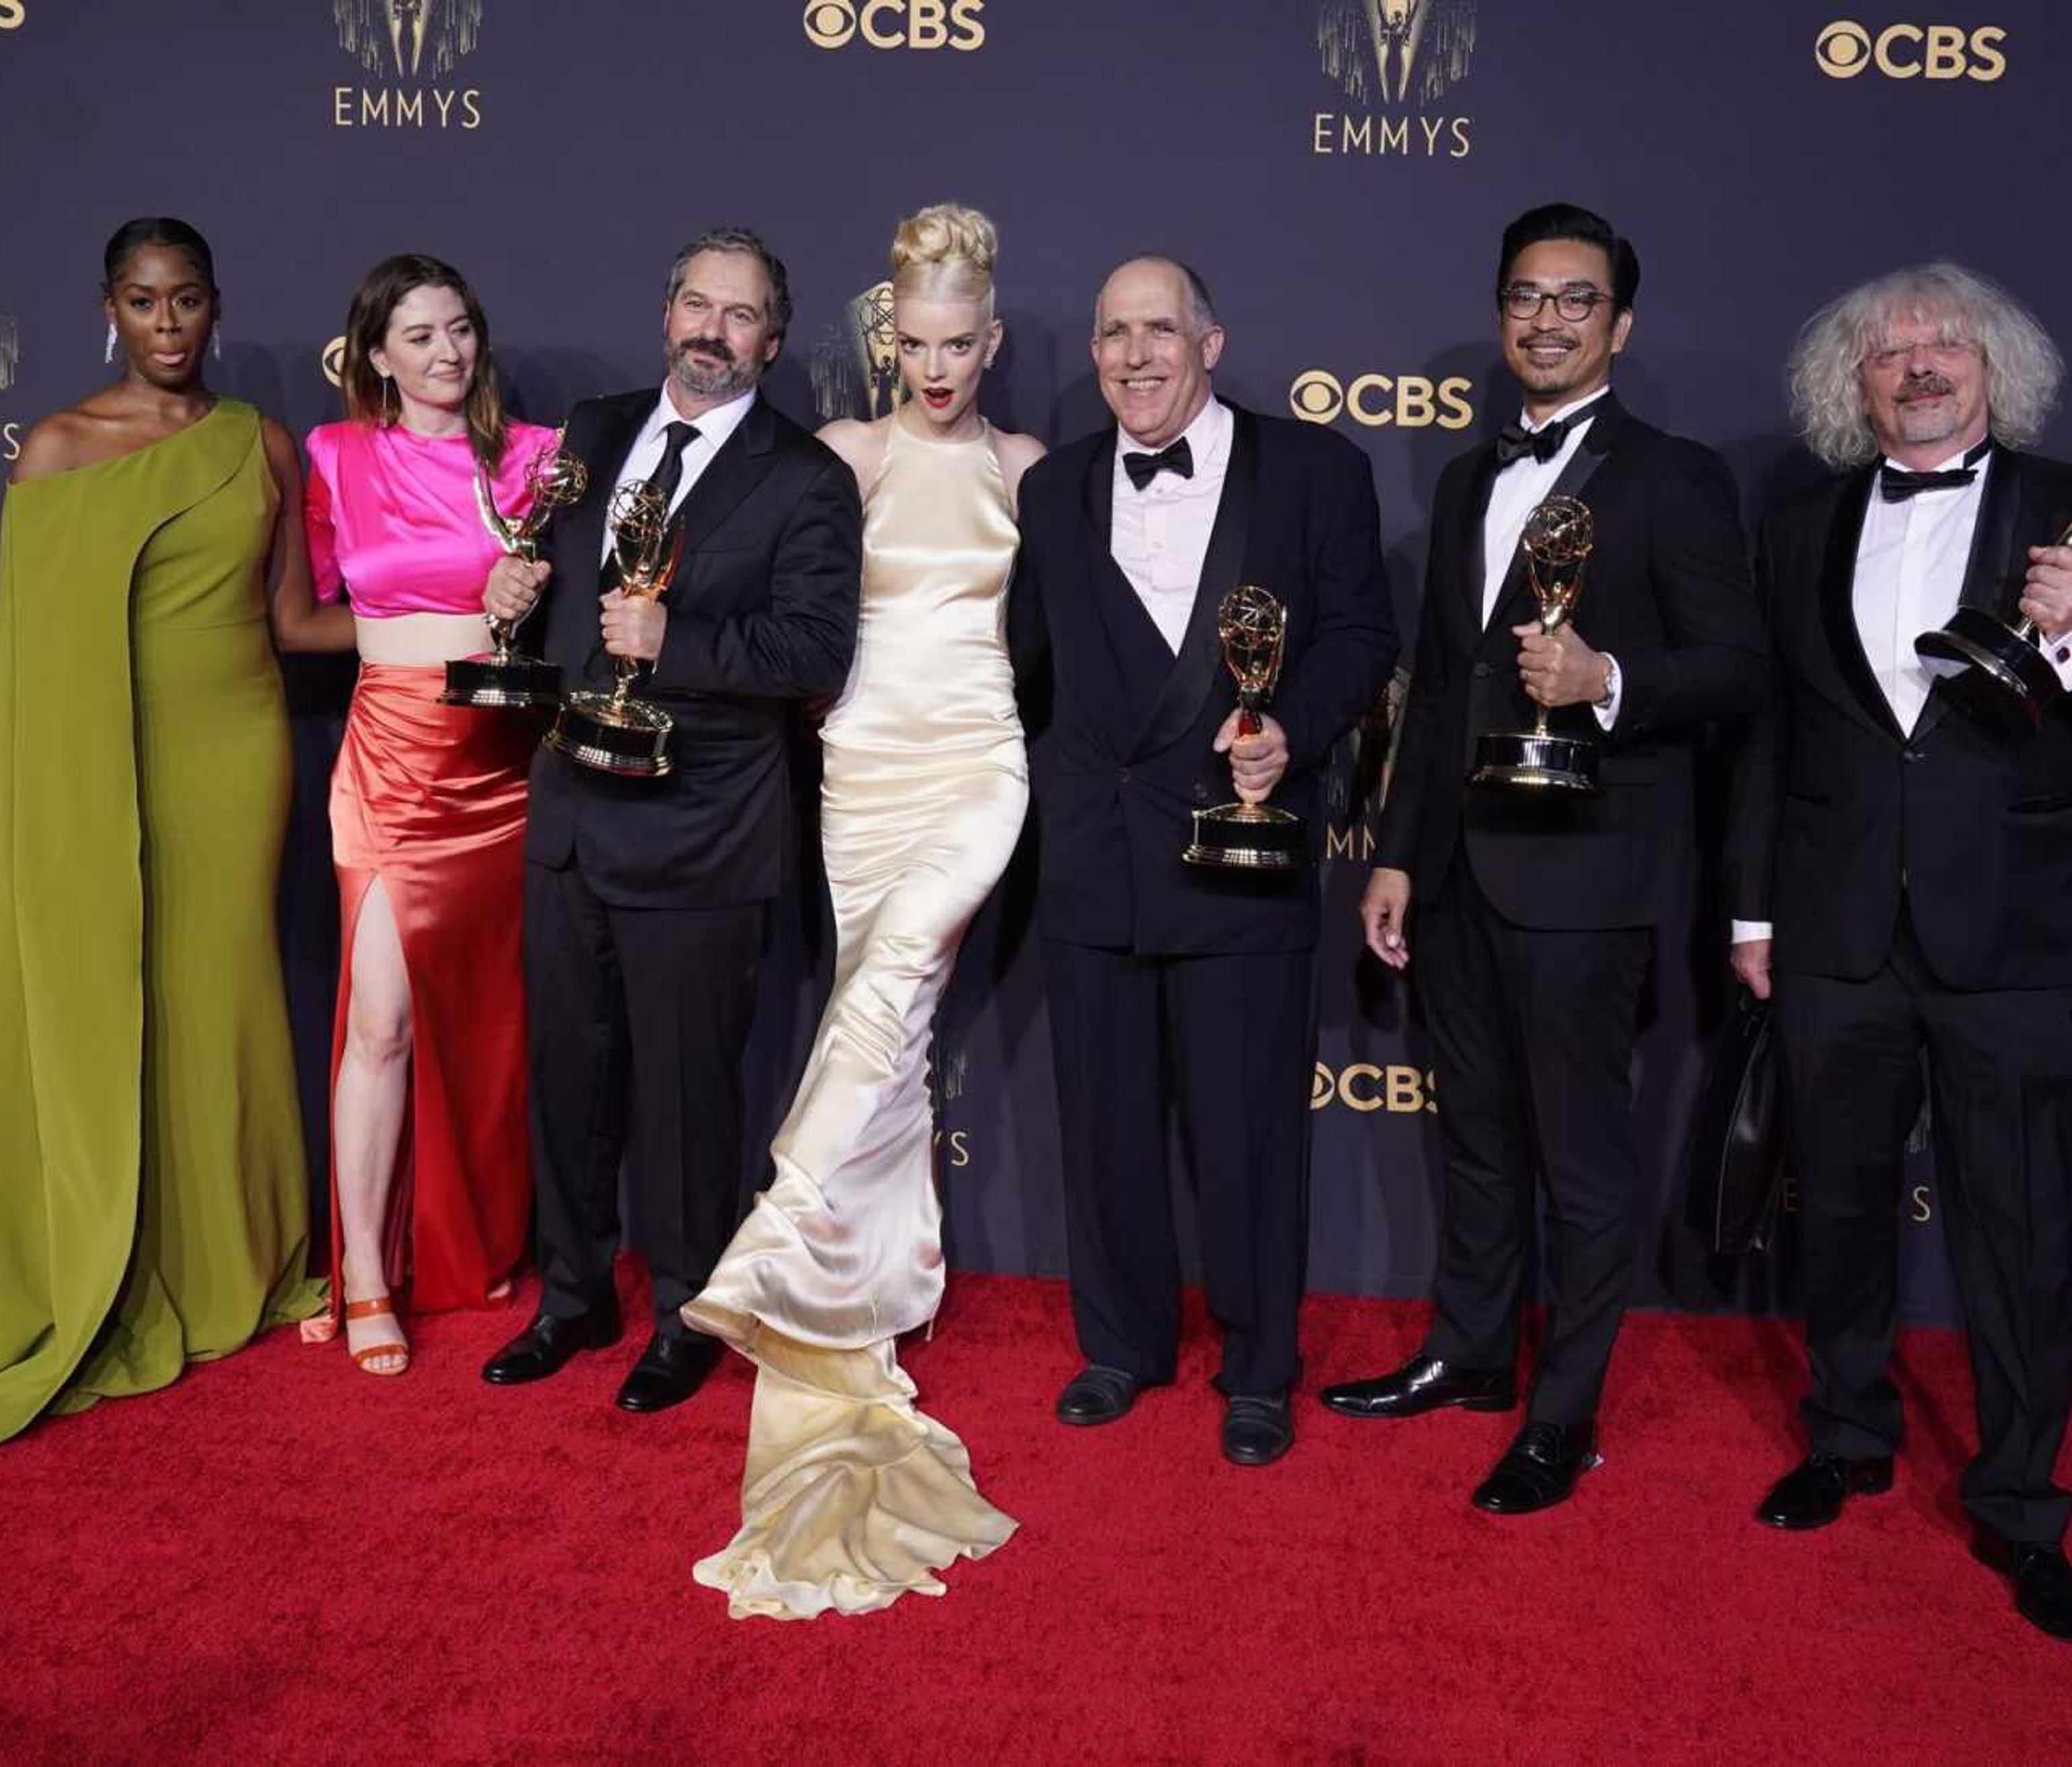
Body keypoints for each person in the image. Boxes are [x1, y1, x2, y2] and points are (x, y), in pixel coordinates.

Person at [1726, 263, 2072, 1643]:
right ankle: (1847, 1436)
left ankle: (2018, 1505)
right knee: (1845, 1207)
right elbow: (1773, 731)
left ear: (1997, 365)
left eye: (1947, 343)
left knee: (2018, 1231)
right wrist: (1755, 912)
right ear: (1853, 382)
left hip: (2012, 945)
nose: (1920, 364)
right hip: (1835, 932)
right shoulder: (1800, 518)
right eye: (1890, 350)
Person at [1324, 204, 1766, 1513]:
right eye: (1526, 295)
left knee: (1580, 1156)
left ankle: (1563, 1415)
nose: (1547, 318)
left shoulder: (1676, 477)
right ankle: (1468, 1354)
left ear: (1620, 325)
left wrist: (1608, 677)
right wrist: (1399, 856)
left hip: (1588, 874)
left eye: (1577, 300)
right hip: (1459, 867)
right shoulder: (1465, 480)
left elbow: (1739, 671)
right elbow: (1443, 686)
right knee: (1474, 1138)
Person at [0, 217, 345, 1448]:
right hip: (103, 758)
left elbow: (296, 622)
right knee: (112, 987)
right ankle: (104, 1246)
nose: (169, 326)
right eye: (146, 303)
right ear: (111, 306)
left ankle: (233, 1258)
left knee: (222, 999)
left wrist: (448, 619)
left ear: (217, 306)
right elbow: (40, 665)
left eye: (189, 302)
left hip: (234, 751)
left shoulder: (259, 445)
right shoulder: (54, 448)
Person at [680, 202, 1042, 1619]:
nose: (937, 365)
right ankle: (855, 1305)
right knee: (882, 1034)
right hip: (859, 774)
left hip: (978, 770)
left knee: (891, 987)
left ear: (994, 340)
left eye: (962, 343)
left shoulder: (1029, 468)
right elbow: (797, 611)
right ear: (886, 335)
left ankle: (773, 1245)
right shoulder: (841, 456)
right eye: (917, 341)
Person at [1007, 256, 1396, 1468]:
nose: (1136, 355)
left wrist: (1297, 729)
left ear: (1213, 343)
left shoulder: (1319, 470)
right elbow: (1026, 669)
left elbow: (1362, 635)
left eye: (1161, 330)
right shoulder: (1056, 486)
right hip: (1092, 858)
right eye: (1114, 333)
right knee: (1107, 1126)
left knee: (1248, 1132)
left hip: (1243, 849)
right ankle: (1119, 1344)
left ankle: (1260, 1364)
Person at [477, 229, 860, 1411]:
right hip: (573, 818)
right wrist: (513, 596)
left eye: (739, 316)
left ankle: (689, 1309)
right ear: (667, 316)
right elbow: (551, 572)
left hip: (702, 830)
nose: (712, 330)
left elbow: (814, 651)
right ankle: (575, 1296)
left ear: (774, 343)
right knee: (571, 1077)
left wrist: (675, 643)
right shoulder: (591, 432)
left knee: (691, 1101)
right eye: (697, 305)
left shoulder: (807, 478)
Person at [295, 254, 557, 1375]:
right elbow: (310, 607)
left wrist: (527, 591)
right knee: (380, 1023)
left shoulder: (539, 460)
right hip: (390, 763)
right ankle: (362, 1273)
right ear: (374, 355)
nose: (446, 352)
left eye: (458, 329)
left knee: (488, 1026)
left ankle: (470, 1243)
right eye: (418, 335)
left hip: (500, 774)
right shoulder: (335, 455)